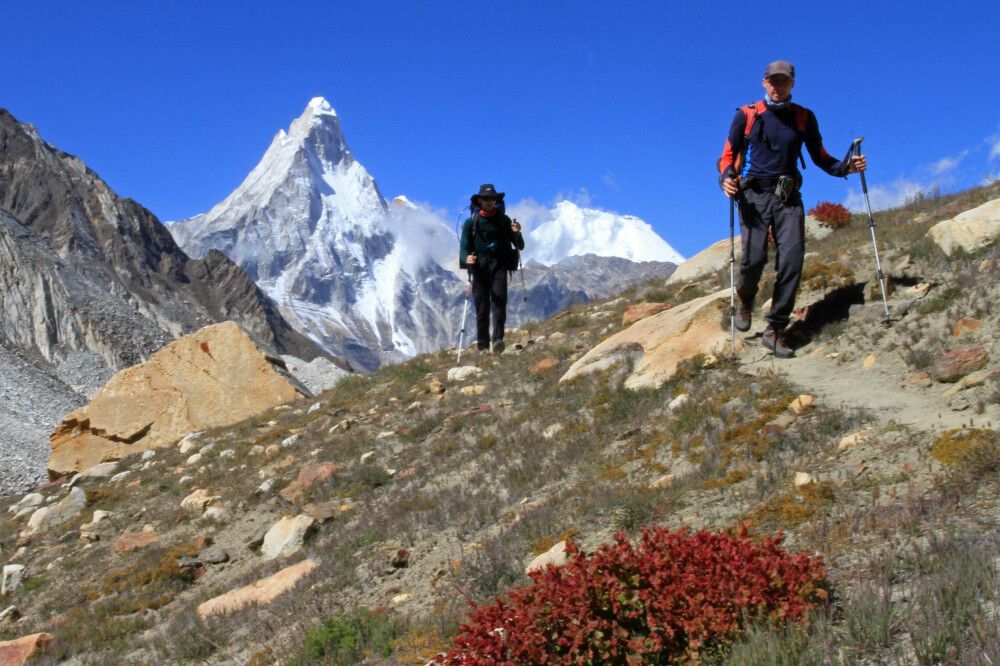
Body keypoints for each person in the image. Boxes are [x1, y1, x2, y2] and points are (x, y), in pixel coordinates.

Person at [717, 60, 866, 358]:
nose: (777, 85)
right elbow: (727, 156)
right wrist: (726, 178)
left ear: (792, 84)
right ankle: (746, 299)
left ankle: (775, 329)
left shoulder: (804, 117)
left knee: (792, 261)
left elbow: (822, 157)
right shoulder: (746, 115)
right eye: (773, 80)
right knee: (753, 259)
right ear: (764, 82)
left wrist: (846, 167)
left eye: (783, 80)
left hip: (788, 197)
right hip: (754, 196)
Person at [459, 183, 525, 355]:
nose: (489, 202)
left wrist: (517, 233)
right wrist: (466, 258)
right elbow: (464, 247)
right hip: (479, 267)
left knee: (499, 302)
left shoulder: (504, 220)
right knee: (482, 307)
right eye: (486, 199)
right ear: (479, 200)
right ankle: (482, 346)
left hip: (499, 264)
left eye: (492, 199)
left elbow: (519, 245)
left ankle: (498, 340)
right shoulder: (471, 223)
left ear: (496, 200)